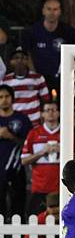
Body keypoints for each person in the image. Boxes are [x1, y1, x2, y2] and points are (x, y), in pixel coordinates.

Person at [21, 0, 75, 93]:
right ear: (43, 11)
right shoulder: (32, 31)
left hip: (62, 80)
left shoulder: (69, 32)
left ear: (60, 11)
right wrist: (34, 75)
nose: (52, 13)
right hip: (38, 79)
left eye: (55, 9)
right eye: (49, 9)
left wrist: (71, 75)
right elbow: (26, 54)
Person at [21, 100, 61, 215]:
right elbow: (23, 160)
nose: (51, 113)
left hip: (60, 188)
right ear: (42, 114)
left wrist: (62, 151)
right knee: (33, 222)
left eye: (54, 110)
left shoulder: (67, 132)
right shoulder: (34, 133)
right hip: (39, 188)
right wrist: (42, 152)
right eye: (47, 110)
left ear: (58, 113)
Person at [0, 84, 31, 219]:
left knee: (18, 207)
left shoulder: (22, 119)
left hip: (17, 169)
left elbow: (29, 144)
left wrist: (10, 136)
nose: (4, 100)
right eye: (0, 97)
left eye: (7, 96)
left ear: (12, 98)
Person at [0, 47, 49, 126]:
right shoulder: (5, 80)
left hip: (35, 122)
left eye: (23, 58)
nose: (19, 60)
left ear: (27, 61)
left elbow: (45, 100)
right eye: (16, 58)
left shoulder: (38, 78)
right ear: (11, 61)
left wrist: (43, 116)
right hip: (14, 123)